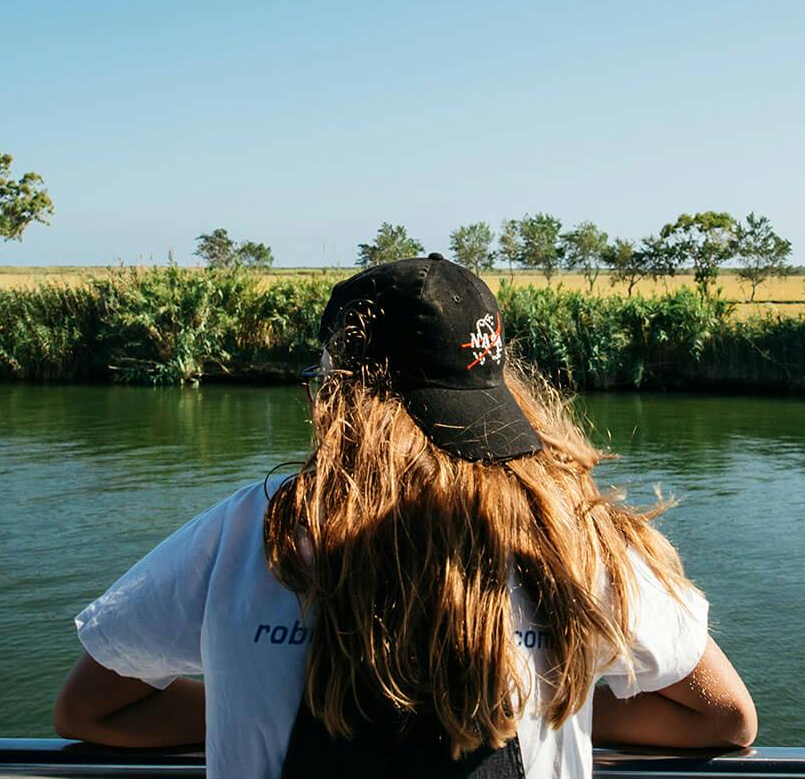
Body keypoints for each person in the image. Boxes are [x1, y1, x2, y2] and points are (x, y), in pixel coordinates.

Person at [55, 254, 756, 777]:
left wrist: (253, 710)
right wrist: (555, 703)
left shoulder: (246, 534)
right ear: (496, 393)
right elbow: (726, 719)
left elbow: (89, 711)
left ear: (333, 394)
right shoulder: (577, 536)